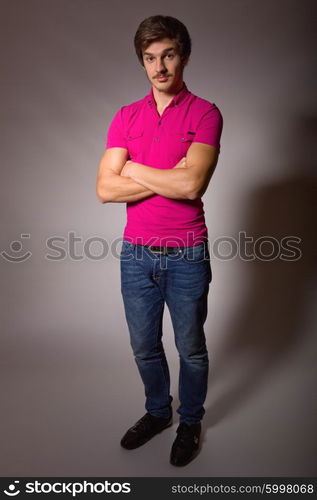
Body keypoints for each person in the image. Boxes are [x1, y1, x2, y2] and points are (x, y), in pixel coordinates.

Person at [96, 15, 223, 467]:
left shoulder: (205, 112)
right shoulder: (125, 116)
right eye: (150, 58)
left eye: (168, 54)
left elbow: (192, 187)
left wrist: (131, 168)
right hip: (136, 255)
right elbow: (105, 190)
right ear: (142, 63)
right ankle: (157, 412)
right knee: (144, 346)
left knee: (190, 347)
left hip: (187, 253)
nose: (160, 67)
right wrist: (171, 175)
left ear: (182, 55)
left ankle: (189, 420)